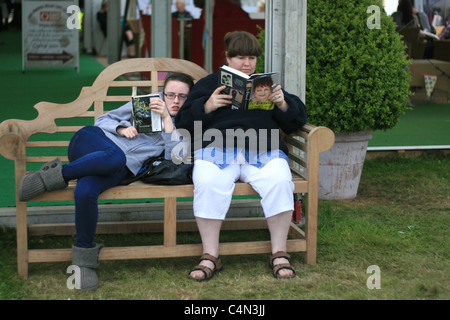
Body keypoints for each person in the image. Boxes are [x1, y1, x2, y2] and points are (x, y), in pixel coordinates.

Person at [18, 73, 194, 290]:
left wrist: (168, 120)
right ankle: (55, 176)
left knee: (85, 190)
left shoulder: (184, 125)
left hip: (121, 169)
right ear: (162, 93)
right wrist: (121, 128)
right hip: (90, 142)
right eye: (170, 95)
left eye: (182, 97)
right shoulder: (145, 104)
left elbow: (174, 159)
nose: (175, 101)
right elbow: (103, 120)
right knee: (115, 156)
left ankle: (83, 263)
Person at [175, 31, 307, 281]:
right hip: (217, 151)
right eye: (240, 58)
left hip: (263, 150)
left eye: (252, 58)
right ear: (226, 57)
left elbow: (297, 120)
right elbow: (183, 122)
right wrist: (207, 106)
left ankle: (279, 252)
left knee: (279, 180)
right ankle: (210, 255)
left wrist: (282, 103)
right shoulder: (208, 83)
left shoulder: (266, 85)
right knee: (208, 182)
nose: (247, 63)